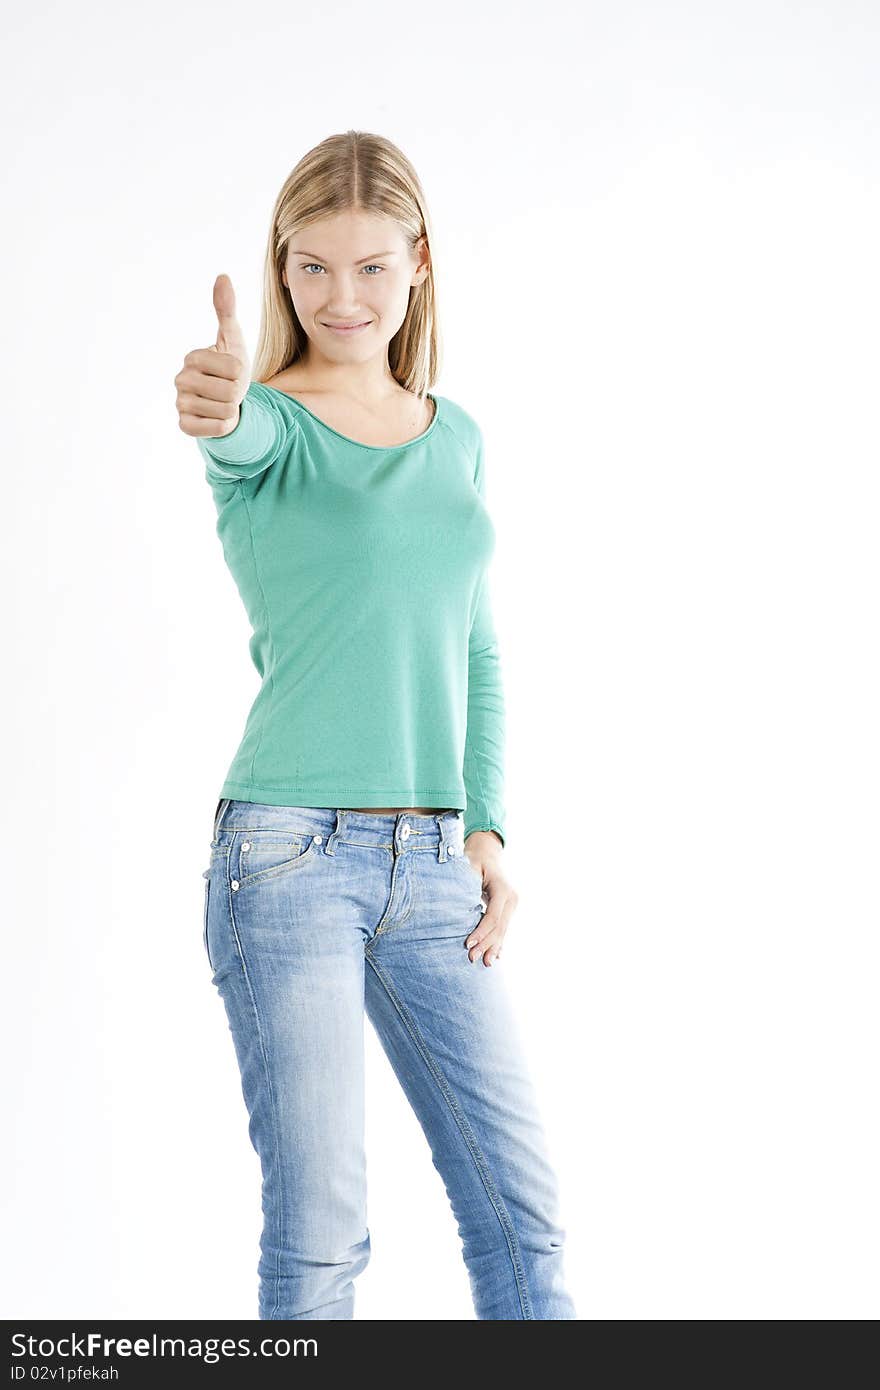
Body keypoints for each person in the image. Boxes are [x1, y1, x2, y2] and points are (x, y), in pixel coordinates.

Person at [175, 129, 576, 1321]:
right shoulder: (265, 424)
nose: (339, 296)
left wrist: (488, 836)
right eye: (309, 267)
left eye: (369, 267)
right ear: (281, 268)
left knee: (522, 1220)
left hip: (434, 866)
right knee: (319, 1243)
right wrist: (215, 397)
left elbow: (477, 648)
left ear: (419, 266)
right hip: (285, 857)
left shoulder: (454, 437)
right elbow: (226, 429)